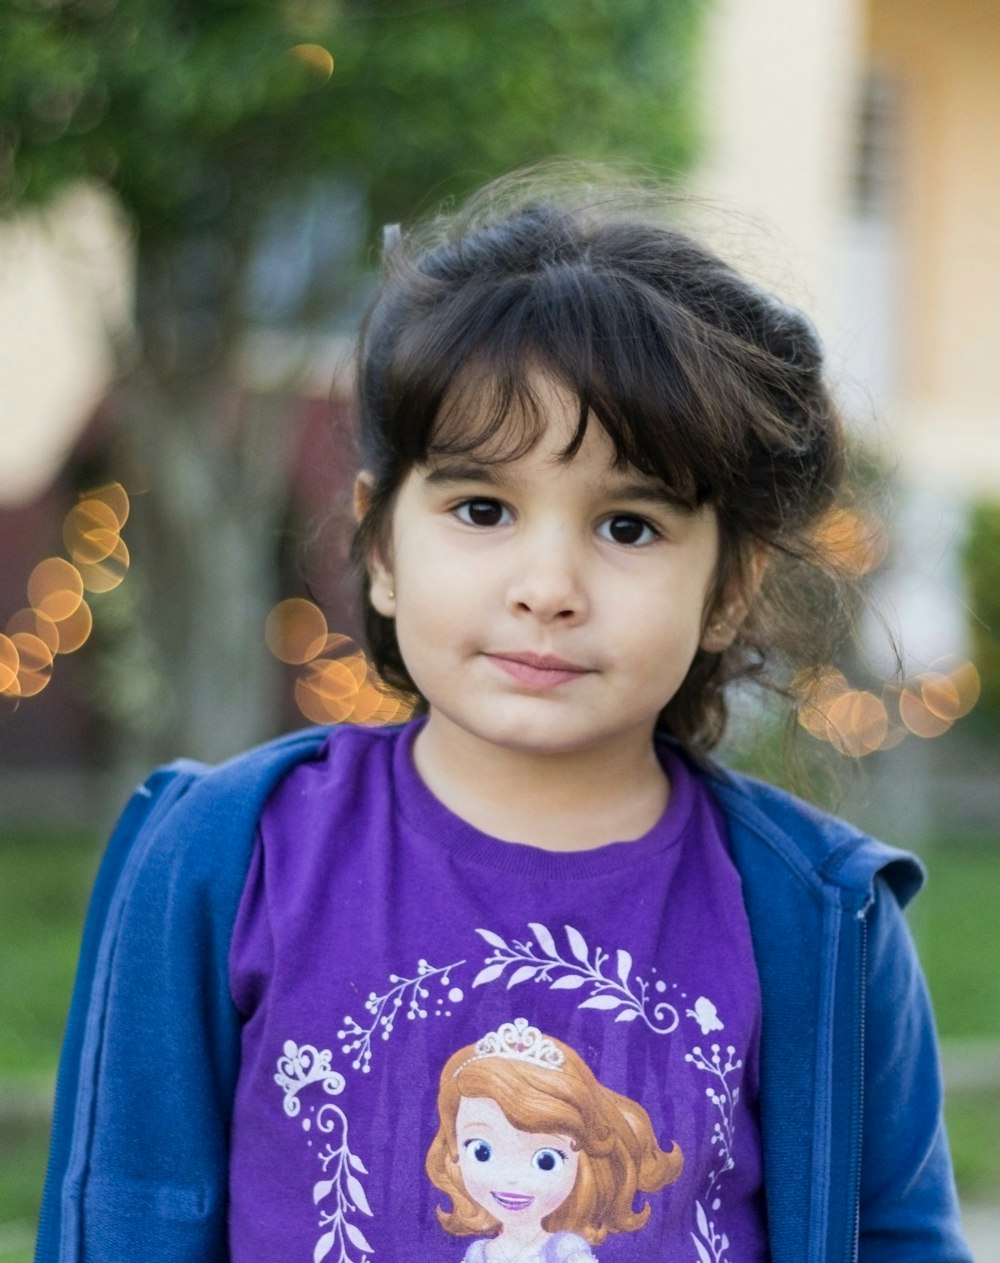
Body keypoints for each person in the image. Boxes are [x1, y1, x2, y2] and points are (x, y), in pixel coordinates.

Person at [36, 167, 971, 1263]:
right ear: (380, 545)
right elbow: (124, 1215)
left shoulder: (817, 918)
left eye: (628, 527)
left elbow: (896, 1237)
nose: (548, 584)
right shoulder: (220, 858)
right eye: (482, 508)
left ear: (727, 588)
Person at [425, 1018, 683, 1260]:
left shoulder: (564, 1249)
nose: (511, 1177)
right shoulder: (479, 1253)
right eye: (481, 1151)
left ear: (584, 1164)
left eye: (546, 1160)